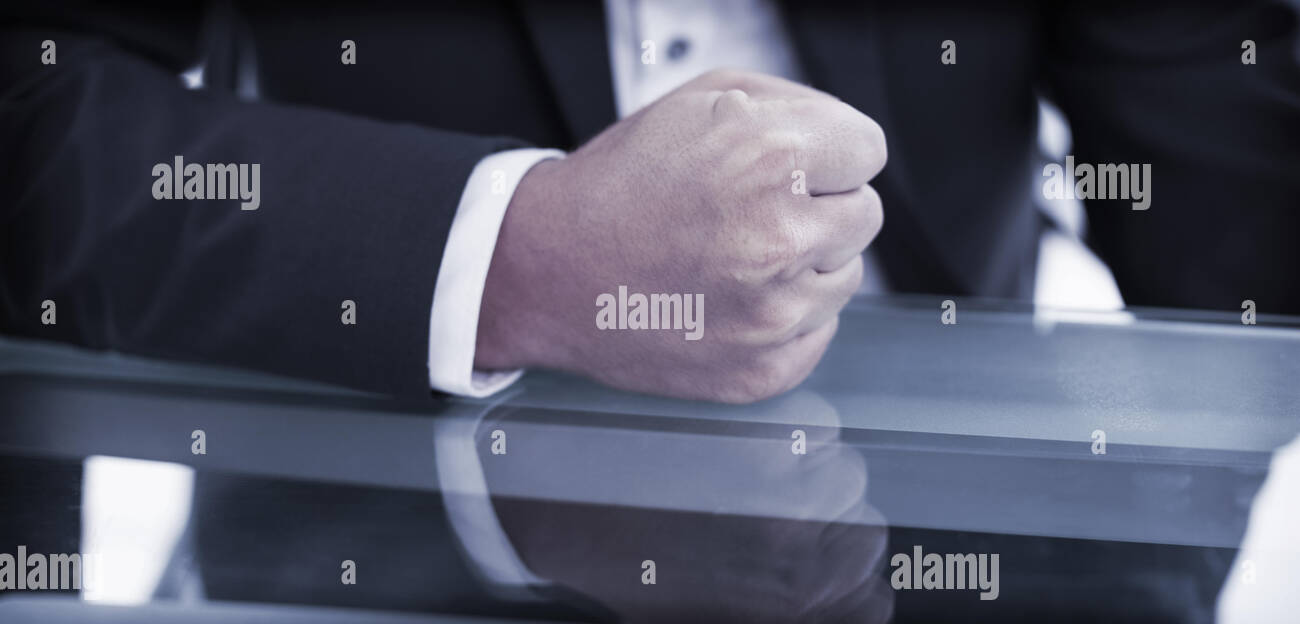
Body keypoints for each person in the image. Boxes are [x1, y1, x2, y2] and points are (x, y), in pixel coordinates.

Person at [3, 0, 1297, 403]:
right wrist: (503, 256)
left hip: (967, 535)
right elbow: (32, 99)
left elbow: (1213, 147)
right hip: (371, 524)